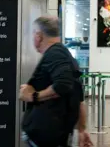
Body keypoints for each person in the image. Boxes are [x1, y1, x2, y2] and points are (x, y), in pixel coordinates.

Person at [19, 16, 93, 147]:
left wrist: (33, 96)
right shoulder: (64, 55)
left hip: (45, 135)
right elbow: (79, 97)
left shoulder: (55, 54)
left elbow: (62, 85)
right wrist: (82, 130)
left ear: (39, 36)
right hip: (55, 135)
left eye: (33, 34)